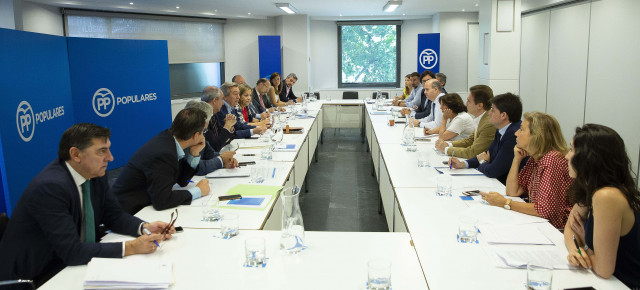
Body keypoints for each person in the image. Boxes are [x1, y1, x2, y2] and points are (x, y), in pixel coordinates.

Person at [0, 123, 173, 287]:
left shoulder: (95, 173)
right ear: (75, 154)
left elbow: (114, 215)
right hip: (36, 277)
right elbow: (72, 252)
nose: (110, 157)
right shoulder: (50, 188)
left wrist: (144, 227)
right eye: (101, 151)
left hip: (69, 264)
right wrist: (131, 247)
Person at [563, 124, 640, 288]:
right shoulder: (594, 187)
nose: (566, 156)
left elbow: (604, 270)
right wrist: (576, 251)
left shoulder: (606, 196)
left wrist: (584, 246)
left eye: (571, 150)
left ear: (588, 158)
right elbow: (569, 227)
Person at [480, 111, 573, 229]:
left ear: (537, 136)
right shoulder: (535, 158)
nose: (516, 133)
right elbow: (513, 191)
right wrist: (516, 159)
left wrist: (505, 203)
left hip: (556, 230)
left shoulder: (551, 159)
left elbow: (544, 210)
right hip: (542, 223)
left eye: (522, 129)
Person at [111, 108, 212, 215]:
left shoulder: (170, 140)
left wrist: (194, 153)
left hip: (143, 207)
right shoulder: (164, 153)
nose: (203, 136)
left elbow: (182, 181)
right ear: (195, 135)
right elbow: (162, 200)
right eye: (203, 132)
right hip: (127, 213)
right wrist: (198, 191)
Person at [449, 93, 524, 184]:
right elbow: (487, 154)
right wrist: (463, 164)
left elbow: (493, 171)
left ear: (503, 115)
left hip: (505, 187)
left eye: (493, 110)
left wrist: (483, 162)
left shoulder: (513, 135)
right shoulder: (501, 129)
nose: (489, 113)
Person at [435, 85, 494, 158]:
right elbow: (469, 141)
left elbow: (472, 152)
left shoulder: (489, 123)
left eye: (469, 101)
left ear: (479, 105)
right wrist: (448, 145)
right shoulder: (481, 118)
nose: (466, 104)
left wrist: (446, 149)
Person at [184, 100, 238, 175]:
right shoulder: (185, 137)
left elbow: (210, 153)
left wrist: (226, 159)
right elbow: (197, 167)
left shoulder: (199, 132)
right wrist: (221, 160)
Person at [201, 86, 237, 152]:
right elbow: (215, 147)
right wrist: (227, 126)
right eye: (221, 99)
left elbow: (226, 140)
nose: (223, 103)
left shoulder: (214, 115)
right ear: (214, 100)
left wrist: (230, 128)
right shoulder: (203, 118)